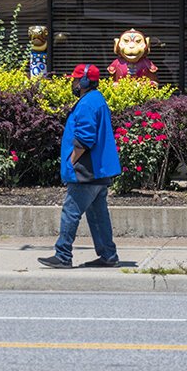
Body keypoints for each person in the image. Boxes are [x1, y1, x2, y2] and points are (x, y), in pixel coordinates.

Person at [38, 63, 122, 269]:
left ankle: (63, 255)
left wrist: (71, 160)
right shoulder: (97, 99)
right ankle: (108, 255)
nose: (73, 83)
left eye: (76, 79)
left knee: (70, 212)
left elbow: (85, 138)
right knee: (98, 215)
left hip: (86, 170)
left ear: (84, 81)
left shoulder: (86, 104)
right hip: (99, 171)